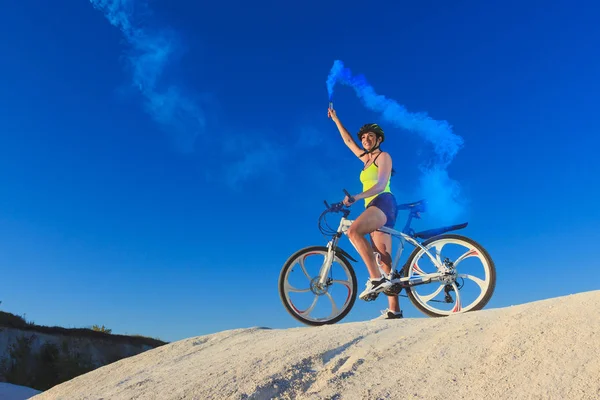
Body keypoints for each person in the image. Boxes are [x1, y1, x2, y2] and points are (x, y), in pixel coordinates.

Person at [327, 105, 403, 319]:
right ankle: (394, 311)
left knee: (353, 232)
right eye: (364, 137)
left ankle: (374, 279)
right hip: (373, 207)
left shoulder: (383, 157)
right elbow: (348, 141)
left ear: (379, 139)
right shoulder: (365, 160)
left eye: (371, 136)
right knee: (384, 259)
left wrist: (356, 197)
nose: (366, 139)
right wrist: (335, 119)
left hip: (383, 202)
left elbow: (380, 185)